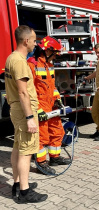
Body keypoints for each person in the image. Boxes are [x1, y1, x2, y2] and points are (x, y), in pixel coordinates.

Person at [5, 25, 47, 203]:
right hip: (24, 112)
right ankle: (24, 191)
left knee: (18, 147)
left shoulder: (11, 58)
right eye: (34, 40)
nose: (35, 44)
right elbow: (23, 92)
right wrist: (30, 118)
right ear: (26, 41)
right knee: (26, 151)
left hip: (16, 109)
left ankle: (17, 183)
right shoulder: (20, 62)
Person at [27, 36, 71, 175]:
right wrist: (37, 109)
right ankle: (41, 163)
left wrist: (57, 99)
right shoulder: (31, 65)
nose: (56, 56)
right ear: (47, 51)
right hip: (40, 108)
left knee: (57, 131)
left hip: (51, 106)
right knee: (42, 136)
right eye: (55, 53)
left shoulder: (49, 65)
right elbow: (28, 90)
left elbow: (52, 87)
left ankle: (55, 158)